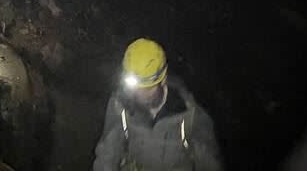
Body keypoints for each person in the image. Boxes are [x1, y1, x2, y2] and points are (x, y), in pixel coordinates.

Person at [92, 38, 223, 171]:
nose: (141, 93)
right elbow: (107, 156)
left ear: (163, 79)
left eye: (149, 87)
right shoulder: (120, 107)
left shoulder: (191, 116)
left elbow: (209, 165)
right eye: (136, 87)